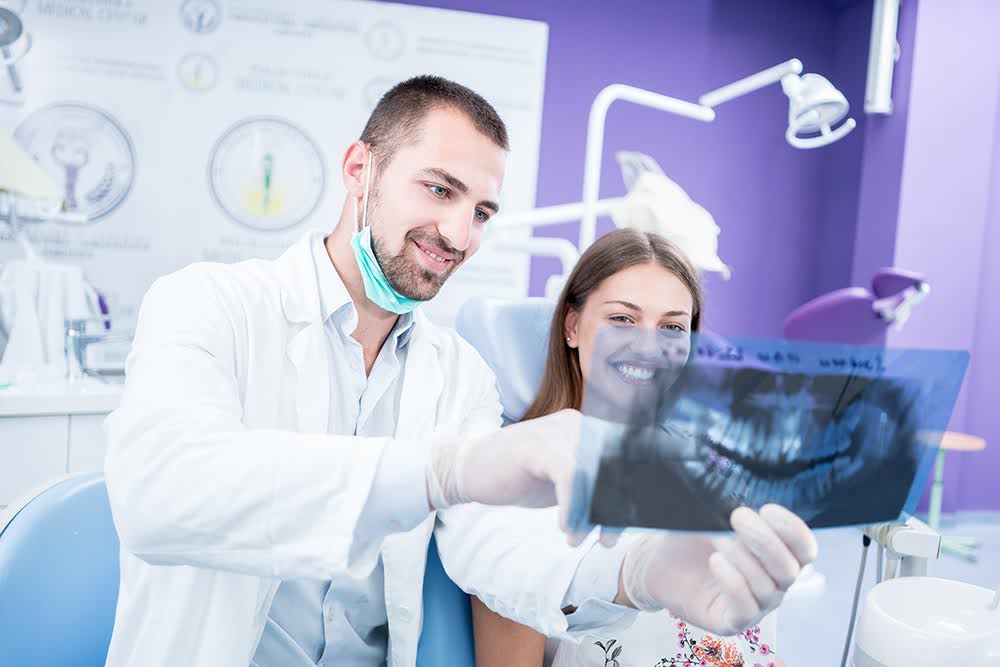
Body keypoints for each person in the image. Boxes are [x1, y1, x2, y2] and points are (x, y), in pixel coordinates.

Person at [102, 76, 815, 667]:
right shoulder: (211, 305)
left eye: (481, 211)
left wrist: (636, 576)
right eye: (439, 190)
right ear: (361, 169)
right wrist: (442, 470)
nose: (458, 235)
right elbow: (158, 492)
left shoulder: (457, 375)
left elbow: (500, 551)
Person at [471, 229, 794, 667]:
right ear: (571, 326)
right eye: (622, 319)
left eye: (672, 327)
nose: (648, 347)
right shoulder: (519, 474)